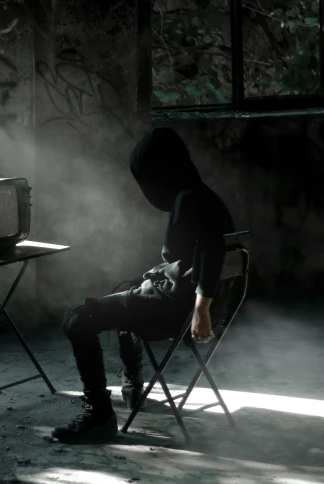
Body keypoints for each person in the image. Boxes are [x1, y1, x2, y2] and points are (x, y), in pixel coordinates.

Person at [51, 128, 235, 444]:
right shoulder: (204, 196)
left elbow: (212, 250)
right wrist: (144, 281)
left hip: (175, 308)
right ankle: (133, 388)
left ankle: (98, 416)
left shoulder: (189, 200)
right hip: (184, 301)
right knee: (122, 288)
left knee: (77, 318)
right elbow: (188, 261)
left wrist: (201, 310)